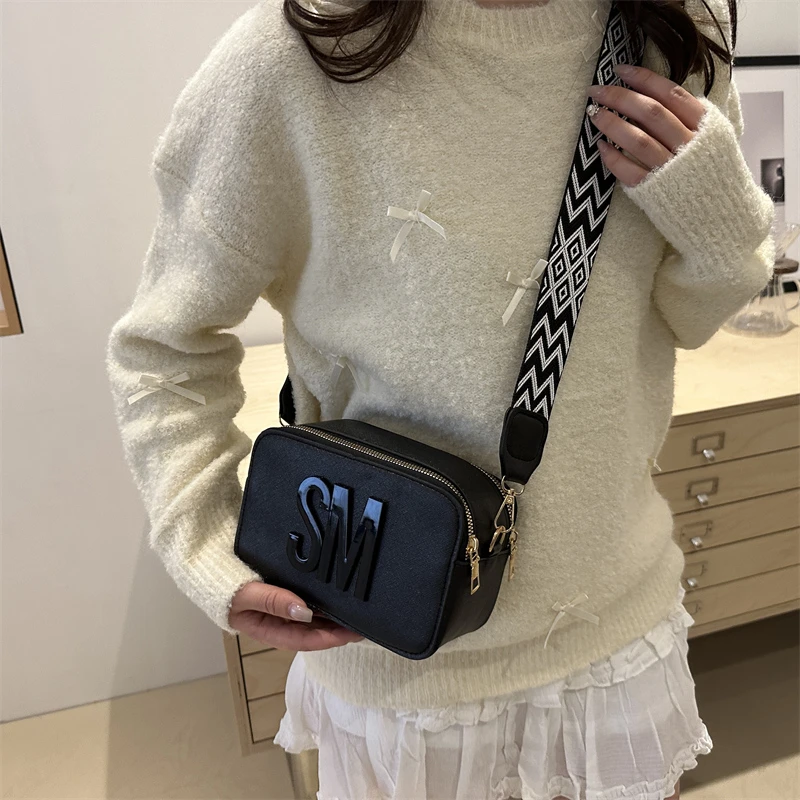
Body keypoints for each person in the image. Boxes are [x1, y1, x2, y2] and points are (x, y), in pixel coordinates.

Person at [104, 0, 776, 796]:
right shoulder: (296, 55)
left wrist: (719, 216)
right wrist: (205, 541)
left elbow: (691, 317)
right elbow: (164, 348)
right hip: (394, 661)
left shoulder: (674, 26)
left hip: (617, 635)